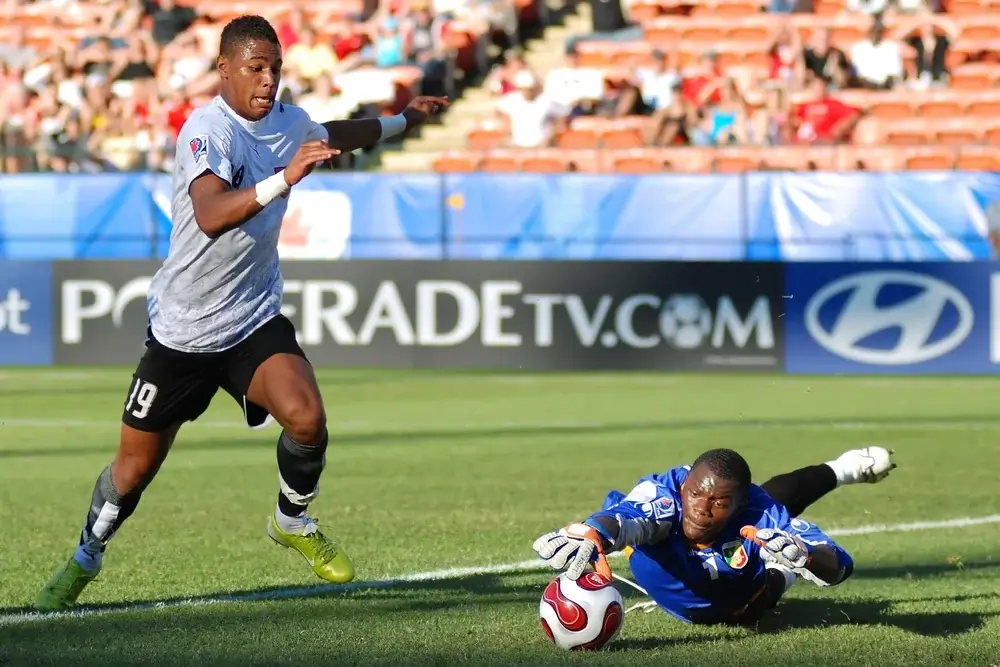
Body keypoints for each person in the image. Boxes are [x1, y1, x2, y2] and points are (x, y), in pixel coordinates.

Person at [35, 15, 449, 611]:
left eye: (275, 68)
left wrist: (405, 119)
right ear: (224, 69)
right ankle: (84, 557)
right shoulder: (206, 129)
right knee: (133, 469)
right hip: (182, 330)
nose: (268, 79)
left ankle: (292, 521)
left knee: (307, 419)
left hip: (251, 317)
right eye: (255, 67)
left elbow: (333, 131)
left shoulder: (287, 123)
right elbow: (210, 213)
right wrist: (286, 178)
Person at [533, 446, 896, 625]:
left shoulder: (759, 511)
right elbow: (624, 518)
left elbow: (839, 566)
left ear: (739, 503)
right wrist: (591, 533)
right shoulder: (665, 495)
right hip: (672, 559)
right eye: (694, 494)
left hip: (737, 596)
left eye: (719, 502)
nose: (700, 509)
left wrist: (805, 556)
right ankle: (846, 467)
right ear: (684, 484)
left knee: (761, 594)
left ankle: (781, 573)